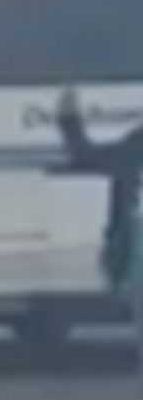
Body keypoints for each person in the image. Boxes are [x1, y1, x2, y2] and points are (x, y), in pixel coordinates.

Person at [56, 87, 143, 300]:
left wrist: (68, 118)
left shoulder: (134, 146)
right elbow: (86, 155)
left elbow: (85, 155)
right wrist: (68, 118)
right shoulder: (135, 146)